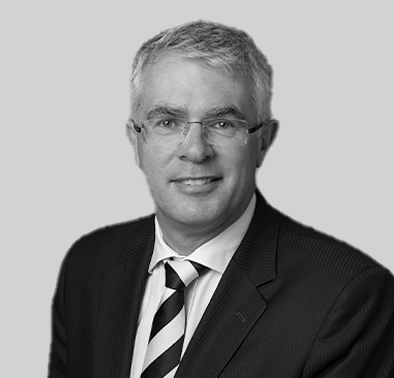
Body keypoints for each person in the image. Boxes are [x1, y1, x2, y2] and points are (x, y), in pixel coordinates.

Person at [48, 21, 394, 378]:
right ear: (137, 141)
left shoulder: (345, 295)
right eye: (167, 122)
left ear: (263, 141)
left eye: (223, 124)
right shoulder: (88, 267)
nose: (195, 151)